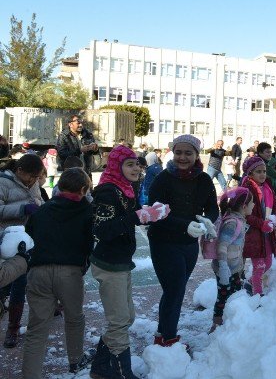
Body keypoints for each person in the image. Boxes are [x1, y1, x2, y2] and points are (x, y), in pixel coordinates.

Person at [88, 145, 170, 379]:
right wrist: (136, 216)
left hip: (122, 262)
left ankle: (100, 367)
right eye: (129, 164)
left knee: (127, 318)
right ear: (116, 166)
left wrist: (151, 212)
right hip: (108, 263)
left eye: (137, 163)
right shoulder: (107, 192)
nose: (136, 168)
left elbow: (132, 216)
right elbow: (102, 230)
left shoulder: (126, 188)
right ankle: (123, 373)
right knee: (119, 321)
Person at [22, 168, 96, 378]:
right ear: (83, 189)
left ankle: (30, 374)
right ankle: (75, 360)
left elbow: (30, 236)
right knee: (74, 318)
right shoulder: (87, 211)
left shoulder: (43, 210)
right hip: (70, 273)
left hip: (38, 272)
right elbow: (91, 243)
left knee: (36, 328)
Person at [147, 135, 218, 348]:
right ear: (172, 153)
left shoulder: (204, 179)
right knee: (175, 289)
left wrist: (207, 222)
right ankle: (168, 339)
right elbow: (155, 211)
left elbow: (213, 208)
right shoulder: (163, 178)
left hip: (189, 244)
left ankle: (163, 333)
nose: (182, 157)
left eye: (188, 153)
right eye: (178, 152)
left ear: (197, 155)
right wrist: (183, 225)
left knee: (175, 289)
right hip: (164, 241)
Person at [0, 154, 45, 349]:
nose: (34, 181)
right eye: (31, 177)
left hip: (25, 240)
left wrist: (41, 208)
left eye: (37, 177)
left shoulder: (33, 182)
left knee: (20, 282)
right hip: (4, 240)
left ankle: (13, 328)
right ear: (19, 171)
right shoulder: (3, 182)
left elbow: (38, 201)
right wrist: (22, 209)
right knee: (4, 282)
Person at [207, 187, 253, 333]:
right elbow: (222, 246)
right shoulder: (232, 223)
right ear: (244, 206)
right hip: (226, 269)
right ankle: (217, 326)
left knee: (234, 294)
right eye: (252, 203)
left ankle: (231, 323)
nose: (254, 206)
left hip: (233, 268)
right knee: (223, 297)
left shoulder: (237, 219)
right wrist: (223, 268)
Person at [241, 156, 276, 296]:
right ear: (250, 174)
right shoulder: (246, 190)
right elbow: (245, 214)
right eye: (258, 171)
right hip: (253, 234)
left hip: (267, 233)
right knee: (259, 266)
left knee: (268, 264)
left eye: (264, 171)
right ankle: (257, 295)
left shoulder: (268, 187)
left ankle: (251, 282)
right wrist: (261, 223)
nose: (263, 174)